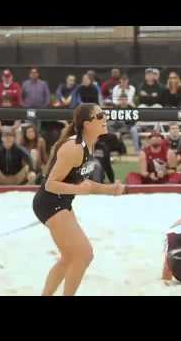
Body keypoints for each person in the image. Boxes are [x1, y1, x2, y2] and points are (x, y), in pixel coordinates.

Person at [32, 103, 125, 296]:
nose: (104, 118)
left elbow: (85, 184)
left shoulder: (90, 145)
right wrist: (77, 189)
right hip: (50, 203)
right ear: (86, 124)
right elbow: (50, 184)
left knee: (69, 257)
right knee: (83, 254)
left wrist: (110, 190)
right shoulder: (73, 147)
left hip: (61, 202)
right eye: (99, 115)